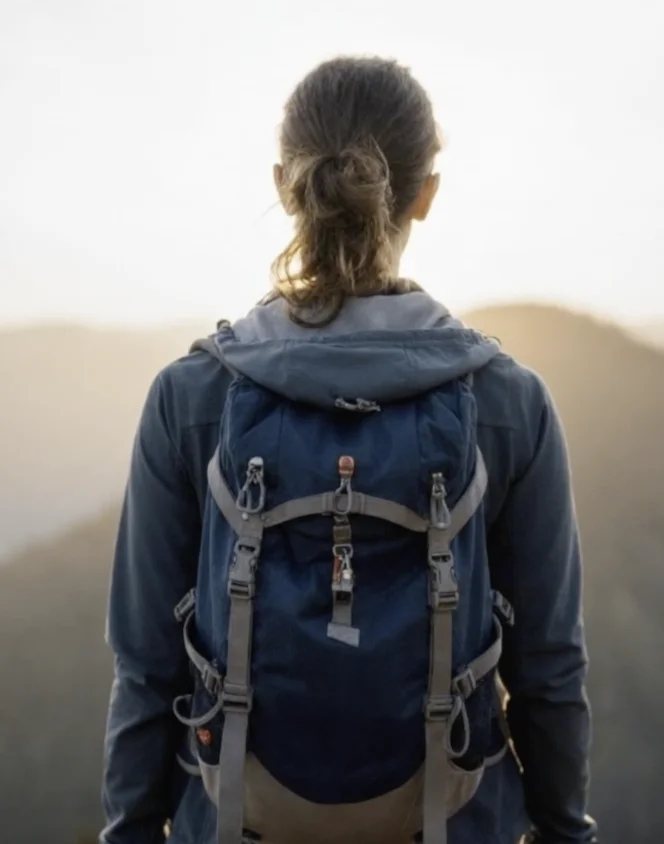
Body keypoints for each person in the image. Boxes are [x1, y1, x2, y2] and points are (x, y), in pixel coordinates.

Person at [100, 56, 598, 844]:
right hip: (454, 822)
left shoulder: (190, 396)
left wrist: (130, 829)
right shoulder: (506, 401)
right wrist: (566, 831)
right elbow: (548, 665)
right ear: (425, 194)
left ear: (282, 184)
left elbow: (145, 662)